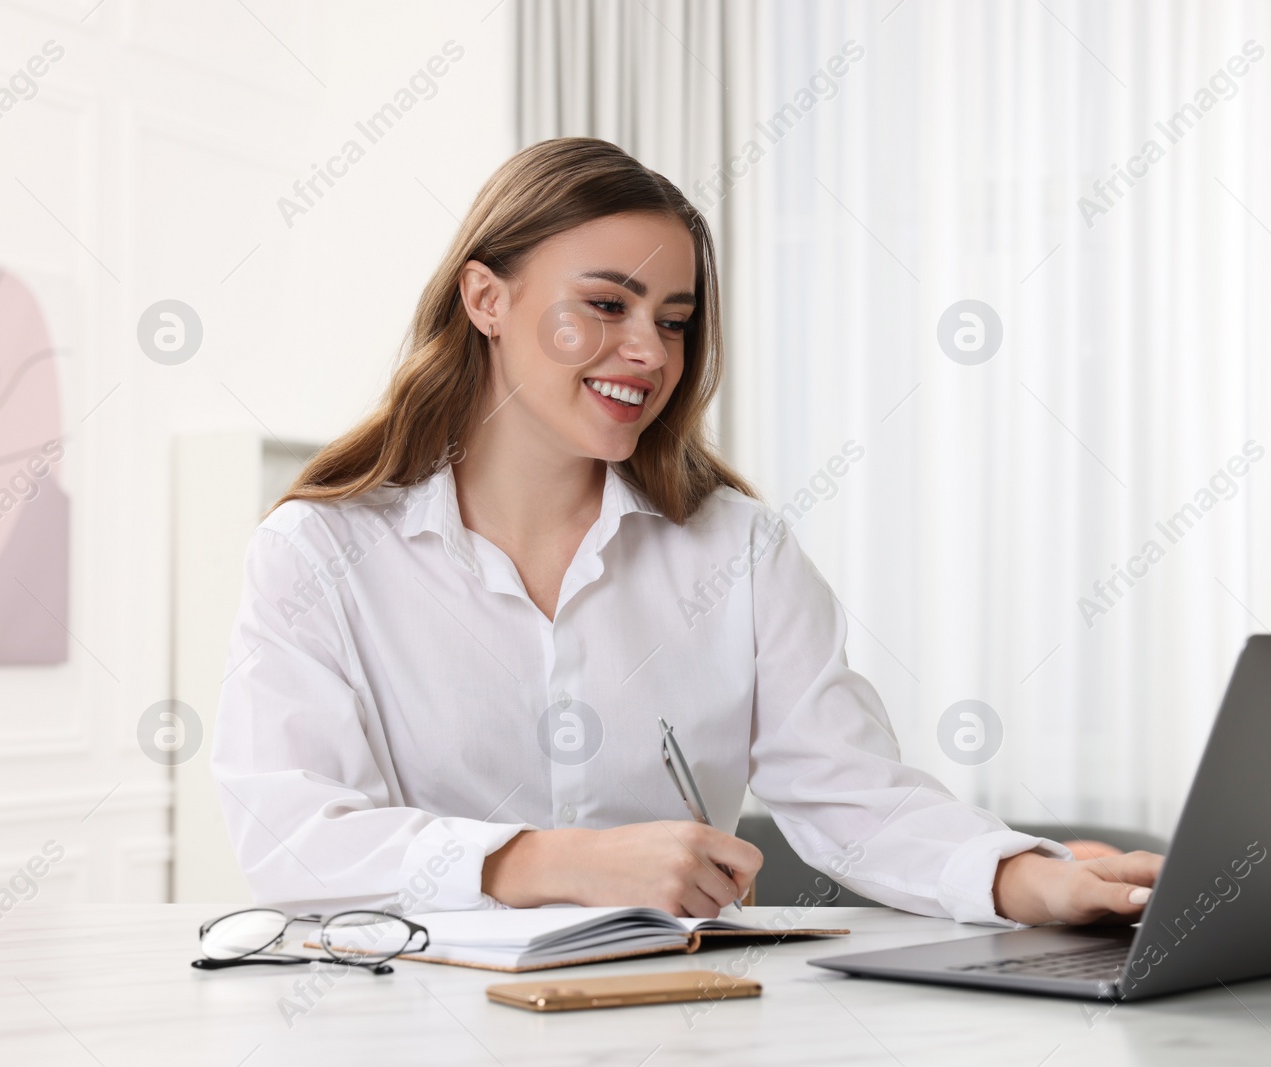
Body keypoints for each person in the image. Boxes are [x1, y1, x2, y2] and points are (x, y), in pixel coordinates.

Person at [210, 137, 1161, 928]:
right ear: (486, 300)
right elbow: (293, 835)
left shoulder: (739, 551)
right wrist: (555, 862)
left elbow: (854, 798)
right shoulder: (321, 552)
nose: (649, 353)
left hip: (681, 1022)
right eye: (607, 305)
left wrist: (1028, 881)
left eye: (674, 320)